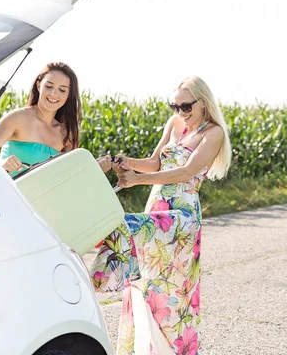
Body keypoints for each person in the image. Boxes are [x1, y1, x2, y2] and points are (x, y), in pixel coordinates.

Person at [90, 76, 231, 355]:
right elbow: (156, 161)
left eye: (186, 106)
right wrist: (128, 163)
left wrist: (137, 181)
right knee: (147, 280)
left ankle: (95, 281)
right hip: (157, 204)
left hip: (182, 215)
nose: (180, 112)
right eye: (174, 106)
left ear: (203, 103)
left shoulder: (213, 133)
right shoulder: (175, 124)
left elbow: (186, 172)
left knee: (173, 289)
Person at [0, 62, 112, 175]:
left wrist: (94, 167)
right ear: (39, 86)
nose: (54, 94)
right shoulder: (16, 119)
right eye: (49, 86)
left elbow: (71, 176)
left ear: (68, 95)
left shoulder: (66, 133)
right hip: (3, 198)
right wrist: (1, 165)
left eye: (62, 90)